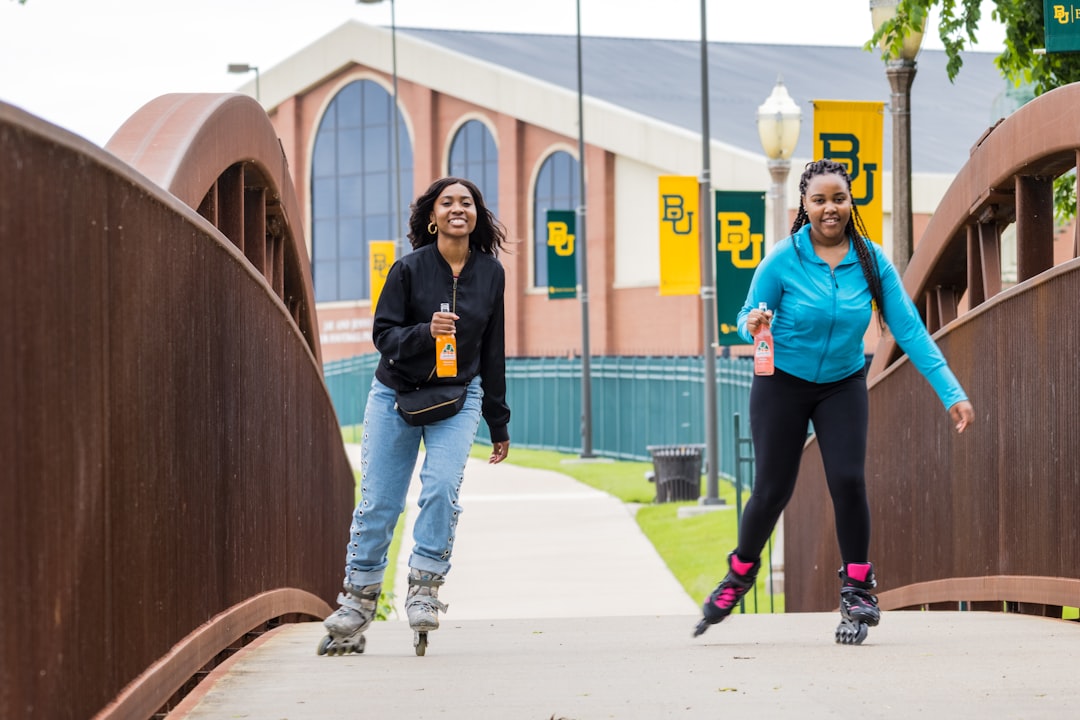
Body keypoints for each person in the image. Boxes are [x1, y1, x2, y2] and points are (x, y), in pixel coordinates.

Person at [693, 159, 975, 644]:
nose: (830, 208)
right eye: (819, 199)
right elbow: (746, 314)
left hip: (842, 384)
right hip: (781, 382)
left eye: (839, 199)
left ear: (850, 203)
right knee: (772, 490)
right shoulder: (783, 259)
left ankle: (858, 586)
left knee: (846, 479)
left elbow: (909, 330)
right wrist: (754, 324)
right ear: (804, 204)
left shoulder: (870, 261)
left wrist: (952, 392)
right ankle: (739, 572)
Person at [318, 177, 511, 657]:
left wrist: (498, 422)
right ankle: (358, 601)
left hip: (456, 398)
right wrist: (427, 332)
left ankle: (425, 586)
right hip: (394, 395)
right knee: (380, 501)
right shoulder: (407, 269)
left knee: (442, 487)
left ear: (476, 216)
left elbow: (493, 352)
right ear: (433, 216)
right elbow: (383, 335)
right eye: (447, 203)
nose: (457, 209)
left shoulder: (491, 274)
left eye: (466, 202)